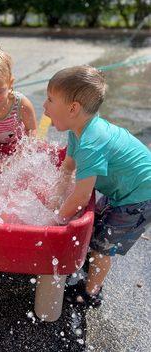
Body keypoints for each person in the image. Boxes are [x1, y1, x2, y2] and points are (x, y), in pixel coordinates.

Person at [42, 65, 151, 306]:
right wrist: (54, 199)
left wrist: (54, 223)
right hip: (125, 190)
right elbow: (68, 167)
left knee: (103, 243)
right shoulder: (77, 129)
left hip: (140, 197)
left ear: (73, 108)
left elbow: (81, 197)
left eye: (50, 100)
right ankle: (86, 267)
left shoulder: (92, 142)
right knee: (96, 223)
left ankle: (91, 292)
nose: (44, 106)